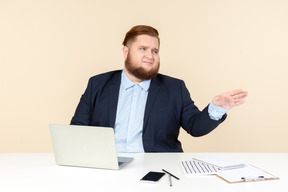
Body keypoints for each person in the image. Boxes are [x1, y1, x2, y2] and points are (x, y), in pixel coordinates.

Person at [70, 25, 248, 153]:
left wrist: (217, 108)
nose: (150, 55)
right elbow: (77, 129)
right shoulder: (98, 84)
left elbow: (195, 127)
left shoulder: (174, 88)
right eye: (143, 49)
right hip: (107, 167)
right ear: (125, 52)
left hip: (158, 169)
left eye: (155, 51)